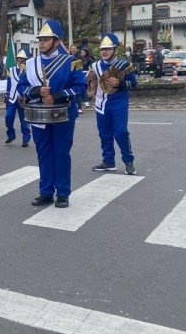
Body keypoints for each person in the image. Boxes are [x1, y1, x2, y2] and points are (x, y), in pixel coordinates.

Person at [16, 20, 87, 208]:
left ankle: (63, 192)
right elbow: (21, 87)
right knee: (43, 152)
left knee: (61, 152)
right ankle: (46, 191)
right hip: (38, 114)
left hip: (63, 113)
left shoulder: (71, 62)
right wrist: (37, 91)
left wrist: (56, 96)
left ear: (56, 42)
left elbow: (81, 87)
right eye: (40, 40)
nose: (41, 43)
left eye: (46, 40)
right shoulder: (31, 64)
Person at [88, 34, 138, 175]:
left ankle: (128, 161)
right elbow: (91, 83)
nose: (104, 52)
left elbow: (134, 84)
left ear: (115, 50)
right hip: (100, 104)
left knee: (121, 132)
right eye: (102, 49)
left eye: (108, 49)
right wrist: (89, 88)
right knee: (104, 134)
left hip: (118, 103)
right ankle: (108, 162)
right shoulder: (95, 66)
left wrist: (120, 83)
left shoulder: (124, 65)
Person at [4, 49, 31, 147]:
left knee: (24, 120)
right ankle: (11, 135)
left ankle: (26, 138)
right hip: (12, 98)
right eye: (19, 58)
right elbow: (9, 83)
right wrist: (6, 95)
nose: (20, 60)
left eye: (22, 59)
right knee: (8, 117)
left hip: (23, 98)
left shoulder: (28, 70)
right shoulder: (11, 70)